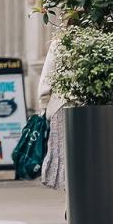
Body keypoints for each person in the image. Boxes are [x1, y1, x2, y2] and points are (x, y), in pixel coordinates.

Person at [37, 35, 68, 196]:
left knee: (62, 156)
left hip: (60, 107)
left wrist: (43, 107)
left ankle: (69, 201)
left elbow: (47, 79)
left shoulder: (59, 44)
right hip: (85, 105)